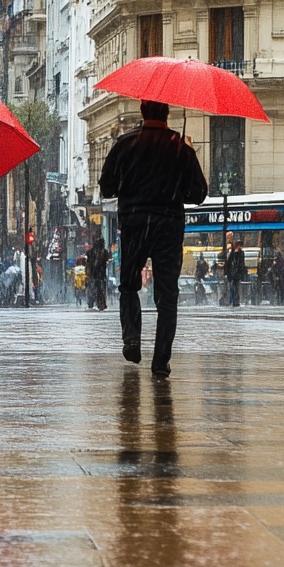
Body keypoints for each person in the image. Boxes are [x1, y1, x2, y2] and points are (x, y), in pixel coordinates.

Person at [98, 99, 208, 378]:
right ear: (167, 114)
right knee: (167, 295)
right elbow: (199, 193)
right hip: (169, 226)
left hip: (135, 222)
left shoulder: (125, 144)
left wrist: (131, 188)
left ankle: (132, 338)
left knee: (128, 285)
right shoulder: (180, 147)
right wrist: (175, 190)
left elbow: (107, 187)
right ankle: (160, 361)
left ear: (142, 112)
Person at [86, 236, 110, 311]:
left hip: (94, 274)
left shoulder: (91, 252)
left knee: (93, 288)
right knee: (100, 289)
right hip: (100, 274)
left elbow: (88, 263)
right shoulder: (104, 252)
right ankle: (100, 303)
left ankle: (92, 302)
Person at [224, 239, 247, 307]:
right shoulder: (232, 253)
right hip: (233, 274)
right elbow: (228, 263)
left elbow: (240, 264)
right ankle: (233, 300)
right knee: (233, 287)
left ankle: (234, 300)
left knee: (235, 287)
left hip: (236, 274)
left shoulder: (239, 253)